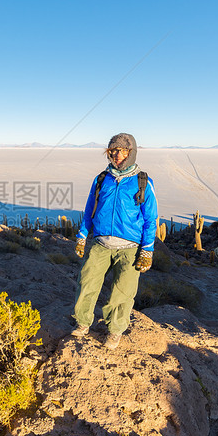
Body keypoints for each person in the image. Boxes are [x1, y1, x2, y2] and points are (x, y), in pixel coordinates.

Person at [71, 133, 158, 349]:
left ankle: (115, 331)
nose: (117, 155)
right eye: (113, 151)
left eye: (122, 150)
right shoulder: (102, 179)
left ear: (131, 152)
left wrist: (147, 250)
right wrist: (82, 235)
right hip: (101, 243)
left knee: (122, 292)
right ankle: (83, 323)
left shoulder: (143, 182)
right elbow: (90, 208)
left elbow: (150, 218)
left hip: (130, 248)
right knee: (87, 283)